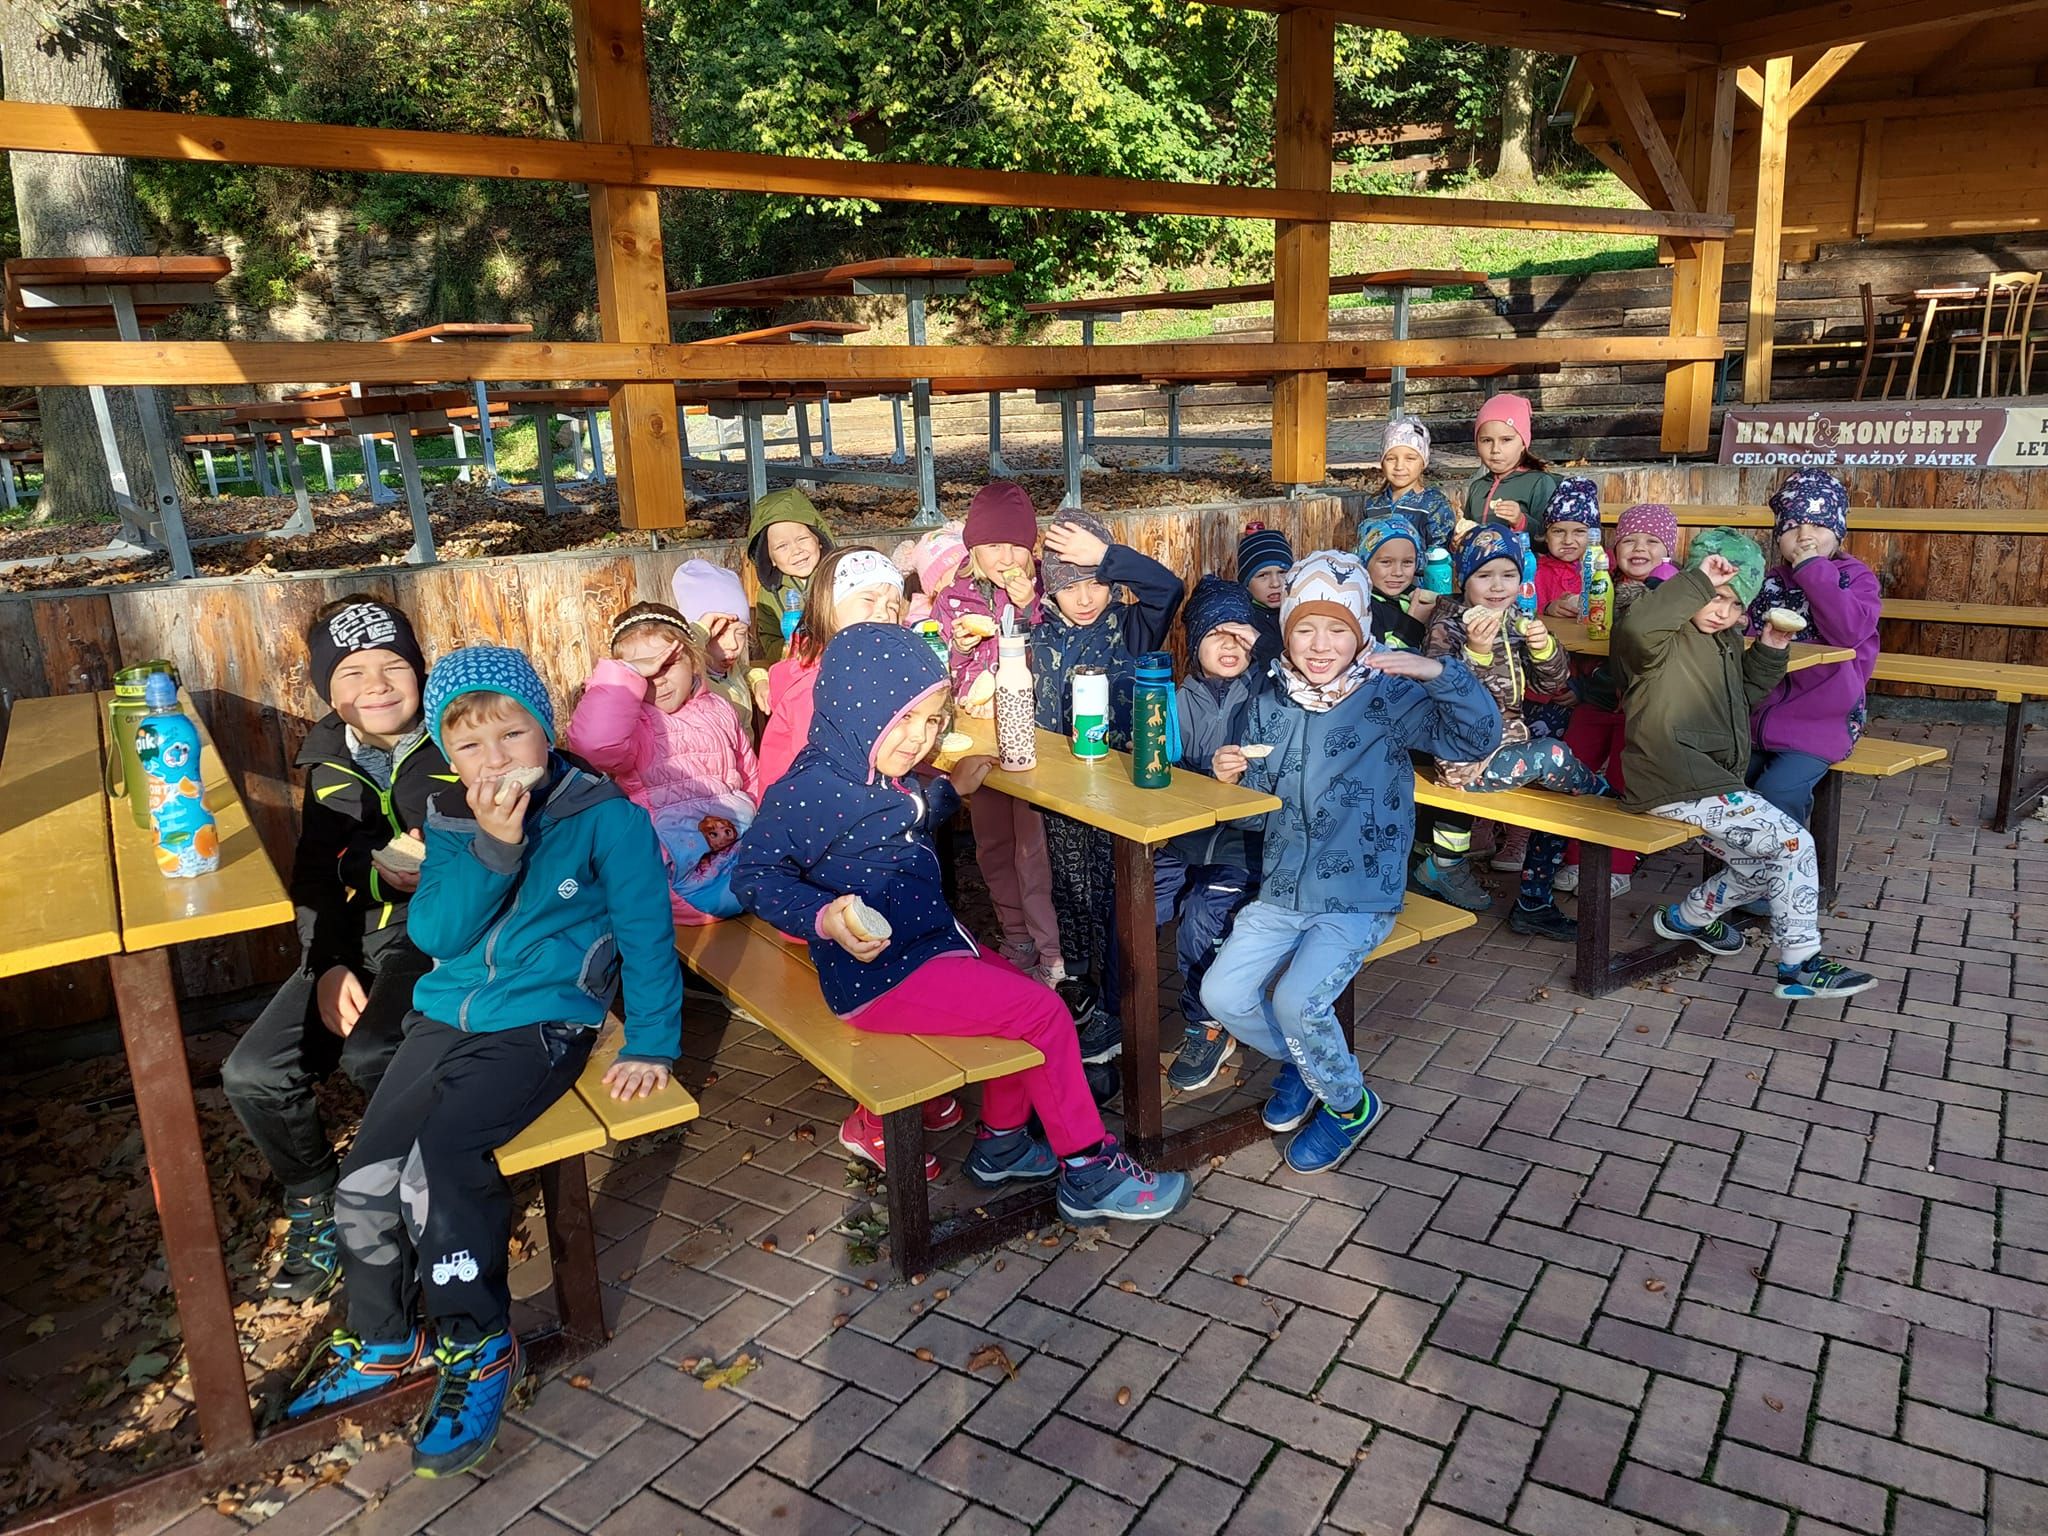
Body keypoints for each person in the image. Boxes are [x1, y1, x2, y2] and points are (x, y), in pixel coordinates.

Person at [287, 646, 684, 1477]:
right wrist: (491, 847)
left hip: (541, 1024)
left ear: (546, 729)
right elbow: (436, 934)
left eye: (513, 734)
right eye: (469, 745)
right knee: (364, 1176)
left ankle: (479, 1345)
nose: (494, 759)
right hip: (445, 1016)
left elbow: (648, 934)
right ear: (447, 754)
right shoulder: (452, 818)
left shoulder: (604, 817)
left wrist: (652, 1040)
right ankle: (385, 1339)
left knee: (440, 1165)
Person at [732, 622, 1192, 1221]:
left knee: (1023, 998)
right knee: (1044, 1014)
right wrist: (822, 917)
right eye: (903, 719)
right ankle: (1086, 1167)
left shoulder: (875, 769)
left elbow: (904, 817)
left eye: (930, 721)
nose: (918, 738)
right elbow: (754, 875)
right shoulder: (809, 791)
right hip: (879, 977)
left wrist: (952, 789)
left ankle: (1002, 1142)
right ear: (855, 707)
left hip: (931, 946)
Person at [1201, 552, 1499, 1173]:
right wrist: (1233, 783)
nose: (1320, 644)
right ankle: (1305, 1063)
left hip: (1360, 893)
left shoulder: (1387, 693)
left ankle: (1349, 1104)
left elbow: (1475, 739)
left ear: (1360, 631)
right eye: (1305, 628)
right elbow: (1257, 816)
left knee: (1297, 1002)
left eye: (1337, 629)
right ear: (1286, 631)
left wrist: (1439, 672)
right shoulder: (1269, 700)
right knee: (1221, 993)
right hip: (1283, 887)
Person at [223, 598, 446, 1304]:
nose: (376, 685)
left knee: (374, 1052)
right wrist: (326, 966)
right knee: (254, 1072)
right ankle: (315, 1197)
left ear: (419, 671)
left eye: (393, 666)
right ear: (326, 688)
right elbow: (317, 876)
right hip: (357, 939)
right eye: (351, 673)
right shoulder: (327, 758)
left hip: (438, 938)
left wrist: (437, 864)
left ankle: (418, 1198)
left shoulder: (458, 733)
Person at [1614, 531, 1877, 1001]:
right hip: (1673, 776)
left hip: (1707, 779)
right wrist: (1698, 580)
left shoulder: (1725, 639)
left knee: (1759, 866)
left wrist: (1771, 648)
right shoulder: (1661, 638)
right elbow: (1638, 631)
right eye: (1715, 597)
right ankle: (1800, 963)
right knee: (1794, 844)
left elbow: (1742, 698)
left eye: (1736, 604)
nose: (1723, 611)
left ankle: (1687, 919)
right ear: (1691, 584)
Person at [1029, 510, 1183, 1038]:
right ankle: (1079, 984)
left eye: (1096, 583)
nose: (1086, 598)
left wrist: (1106, 558)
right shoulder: (1037, 634)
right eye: (1072, 587)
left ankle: (1121, 999)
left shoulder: (1131, 627)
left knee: (1116, 889)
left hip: (1119, 788)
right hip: (1059, 793)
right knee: (1069, 886)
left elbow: (1168, 589)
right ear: (1052, 590)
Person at [1420, 527, 1609, 943]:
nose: (1497, 586)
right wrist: (1477, 652)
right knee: (1554, 756)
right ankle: (1603, 793)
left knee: (1561, 804)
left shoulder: (1515, 620)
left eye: (1508, 575)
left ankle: (1534, 903)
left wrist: (1544, 648)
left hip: (1509, 748)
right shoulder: (1448, 628)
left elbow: (1553, 683)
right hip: (1466, 761)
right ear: (1464, 579)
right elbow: (1446, 695)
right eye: (1484, 576)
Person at [932, 482, 1064, 983]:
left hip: (1034, 740)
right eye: (992, 546)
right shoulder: (954, 598)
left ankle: (1052, 953)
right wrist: (962, 648)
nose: (1005, 558)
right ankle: (1017, 937)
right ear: (973, 550)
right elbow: (945, 672)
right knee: (992, 845)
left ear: (1032, 546)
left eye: (1015, 545)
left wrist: (1030, 606)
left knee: (1034, 851)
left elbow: (1056, 651)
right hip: (980, 741)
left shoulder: (1049, 589)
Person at [565, 601, 759, 925]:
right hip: (674, 870)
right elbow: (593, 745)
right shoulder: (631, 725)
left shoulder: (719, 708)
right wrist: (623, 679)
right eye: (643, 672)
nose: (659, 681)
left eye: (667, 665)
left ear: (693, 660)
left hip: (741, 844)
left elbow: (750, 774)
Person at [1159, 578, 1266, 1091]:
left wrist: (1243, 775)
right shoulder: (1176, 699)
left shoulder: (1268, 696)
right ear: (1195, 639)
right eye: (1217, 633)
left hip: (1245, 842)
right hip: (1183, 837)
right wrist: (1204, 773)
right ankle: (1117, 1011)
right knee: (1132, 902)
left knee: (1203, 913)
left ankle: (1207, 1024)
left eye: (1241, 635)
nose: (1230, 645)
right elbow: (1162, 771)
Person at [1555, 501, 1679, 899]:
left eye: (1652, 541)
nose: (1639, 548)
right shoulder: (1600, 582)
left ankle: (1620, 864)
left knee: (1627, 783)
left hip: (1642, 709)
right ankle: (1576, 858)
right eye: (1629, 540)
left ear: (1669, 550)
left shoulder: (1675, 591)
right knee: (1574, 770)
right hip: (1598, 700)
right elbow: (1584, 643)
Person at [1745, 469, 1881, 826]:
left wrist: (1813, 570)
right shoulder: (1769, 582)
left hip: (1821, 722)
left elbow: (1849, 631)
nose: (1804, 536)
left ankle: (1789, 856)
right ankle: (1736, 855)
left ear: (1838, 534)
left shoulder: (1856, 579)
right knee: (1727, 781)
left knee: (1777, 792)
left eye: (1818, 526)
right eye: (1792, 527)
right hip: (1757, 719)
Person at [758, 548, 907, 789]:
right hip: (808, 804)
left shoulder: (872, 672)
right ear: (829, 607)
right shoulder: (815, 690)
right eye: (869, 600)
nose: (884, 613)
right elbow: (820, 777)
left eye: (893, 606)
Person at [746, 487, 835, 667]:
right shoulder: (769, 594)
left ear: (819, 539)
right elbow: (770, 638)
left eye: (802, 539)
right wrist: (789, 651)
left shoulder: (838, 576)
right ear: (769, 558)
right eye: (782, 546)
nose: (796, 551)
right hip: (796, 667)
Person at [670, 558, 757, 734]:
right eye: (719, 634)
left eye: (740, 633)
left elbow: (742, 671)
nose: (733, 644)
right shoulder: (691, 679)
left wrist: (759, 680)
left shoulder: (729, 669)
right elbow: (681, 655)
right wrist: (699, 630)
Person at [1463, 393, 1560, 538]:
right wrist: (1459, 541)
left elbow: (1549, 538)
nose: (1495, 449)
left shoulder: (1539, 483)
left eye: (1506, 440)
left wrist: (1521, 521)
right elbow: (1469, 534)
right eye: (1487, 440)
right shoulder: (1477, 487)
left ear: (1523, 443)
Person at [1359, 416, 1455, 552]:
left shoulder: (1434, 505)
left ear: (1423, 462)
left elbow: (1440, 554)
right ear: (1382, 463)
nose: (1399, 466)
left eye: (1410, 458)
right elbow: (1364, 549)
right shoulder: (1373, 505)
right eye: (1391, 458)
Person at [1356, 515, 1440, 651]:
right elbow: (1381, 659)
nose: (1398, 572)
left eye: (1407, 562)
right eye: (1386, 562)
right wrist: (1414, 622)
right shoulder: (1365, 610)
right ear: (1365, 563)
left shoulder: (1413, 595)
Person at [1236, 522, 1293, 670]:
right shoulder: (1244, 621)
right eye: (1262, 575)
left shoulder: (1301, 612)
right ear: (1246, 583)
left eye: (1282, 572)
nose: (1275, 583)